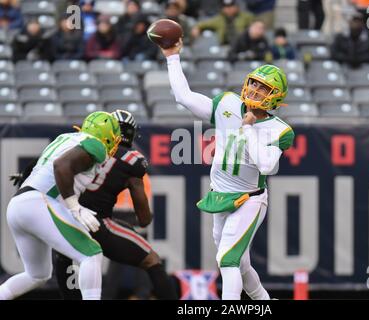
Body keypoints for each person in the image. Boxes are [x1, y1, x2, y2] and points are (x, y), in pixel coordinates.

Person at [159, 38, 294, 300]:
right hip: (219, 195)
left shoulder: (280, 130)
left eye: (263, 87)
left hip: (249, 200)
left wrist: (247, 128)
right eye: (253, 83)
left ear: (275, 97)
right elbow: (183, 97)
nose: (254, 89)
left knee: (227, 259)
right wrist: (172, 56)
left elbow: (266, 164)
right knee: (241, 265)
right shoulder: (228, 104)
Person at [52, 110, 178, 300]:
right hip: (96, 222)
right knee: (152, 260)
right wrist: (143, 218)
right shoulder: (132, 160)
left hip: (65, 218)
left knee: (63, 270)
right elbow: (144, 219)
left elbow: (52, 166)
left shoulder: (79, 145)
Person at [0, 111, 122, 300]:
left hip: (18, 205)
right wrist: (74, 206)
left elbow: (39, 164)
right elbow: (61, 166)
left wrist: (23, 176)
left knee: (37, 275)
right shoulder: (95, 144)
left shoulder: (66, 138)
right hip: (37, 203)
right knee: (91, 253)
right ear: (107, 136)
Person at [330, 14, 369, 80]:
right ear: (349, 22)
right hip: (345, 62)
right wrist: (348, 58)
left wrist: (360, 59)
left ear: (362, 23)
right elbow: (334, 53)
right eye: (354, 21)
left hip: (366, 62)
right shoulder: (340, 37)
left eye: (358, 21)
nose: (355, 24)